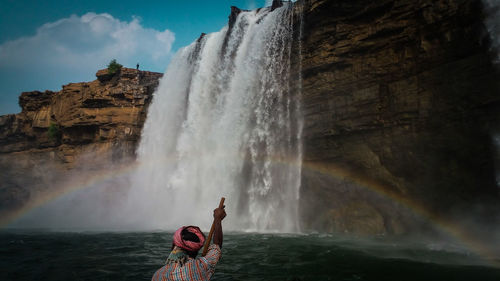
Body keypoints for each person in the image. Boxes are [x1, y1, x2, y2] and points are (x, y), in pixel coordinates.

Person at [152, 206, 226, 281]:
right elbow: (217, 246)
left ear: (174, 245)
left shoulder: (158, 275)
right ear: (196, 250)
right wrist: (217, 219)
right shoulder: (202, 266)